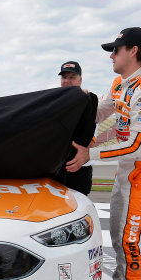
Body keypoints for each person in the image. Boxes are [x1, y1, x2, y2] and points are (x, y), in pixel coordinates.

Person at [66, 27, 141, 280]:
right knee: (117, 236)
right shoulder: (120, 85)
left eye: (116, 49)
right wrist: (76, 99)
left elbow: (136, 145)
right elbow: (97, 114)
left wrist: (89, 155)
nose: (111, 55)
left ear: (133, 51)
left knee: (130, 240)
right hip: (125, 170)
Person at [58, 61, 94, 195]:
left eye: (72, 77)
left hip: (78, 169)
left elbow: (89, 142)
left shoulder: (89, 103)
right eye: (64, 77)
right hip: (57, 168)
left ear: (80, 80)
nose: (67, 81)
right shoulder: (54, 103)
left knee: (77, 208)